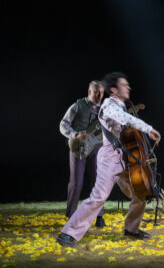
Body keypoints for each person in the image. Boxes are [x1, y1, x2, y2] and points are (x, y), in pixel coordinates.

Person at [56, 73, 162, 248]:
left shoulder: (119, 105)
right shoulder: (108, 105)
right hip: (109, 157)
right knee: (99, 197)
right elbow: (124, 118)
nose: (128, 88)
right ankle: (68, 233)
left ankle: (132, 229)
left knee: (139, 192)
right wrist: (148, 129)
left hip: (123, 158)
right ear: (114, 90)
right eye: (124, 85)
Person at [59, 80, 106, 226]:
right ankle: (71, 216)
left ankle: (99, 217)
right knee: (76, 183)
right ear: (89, 92)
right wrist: (75, 134)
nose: (99, 96)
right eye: (96, 92)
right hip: (78, 148)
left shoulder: (104, 110)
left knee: (98, 182)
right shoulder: (77, 105)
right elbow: (63, 124)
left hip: (96, 148)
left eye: (102, 93)